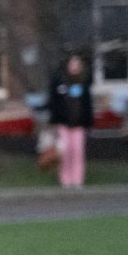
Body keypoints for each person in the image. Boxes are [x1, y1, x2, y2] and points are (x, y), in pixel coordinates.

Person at [48, 52, 94, 189]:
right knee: (65, 153)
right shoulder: (60, 83)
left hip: (78, 125)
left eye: (77, 64)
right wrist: (55, 120)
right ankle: (65, 181)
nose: (75, 66)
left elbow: (87, 104)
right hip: (63, 125)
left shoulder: (83, 84)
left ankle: (77, 181)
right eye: (72, 63)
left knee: (78, 152)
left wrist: (88, 122)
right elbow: (54, 103)